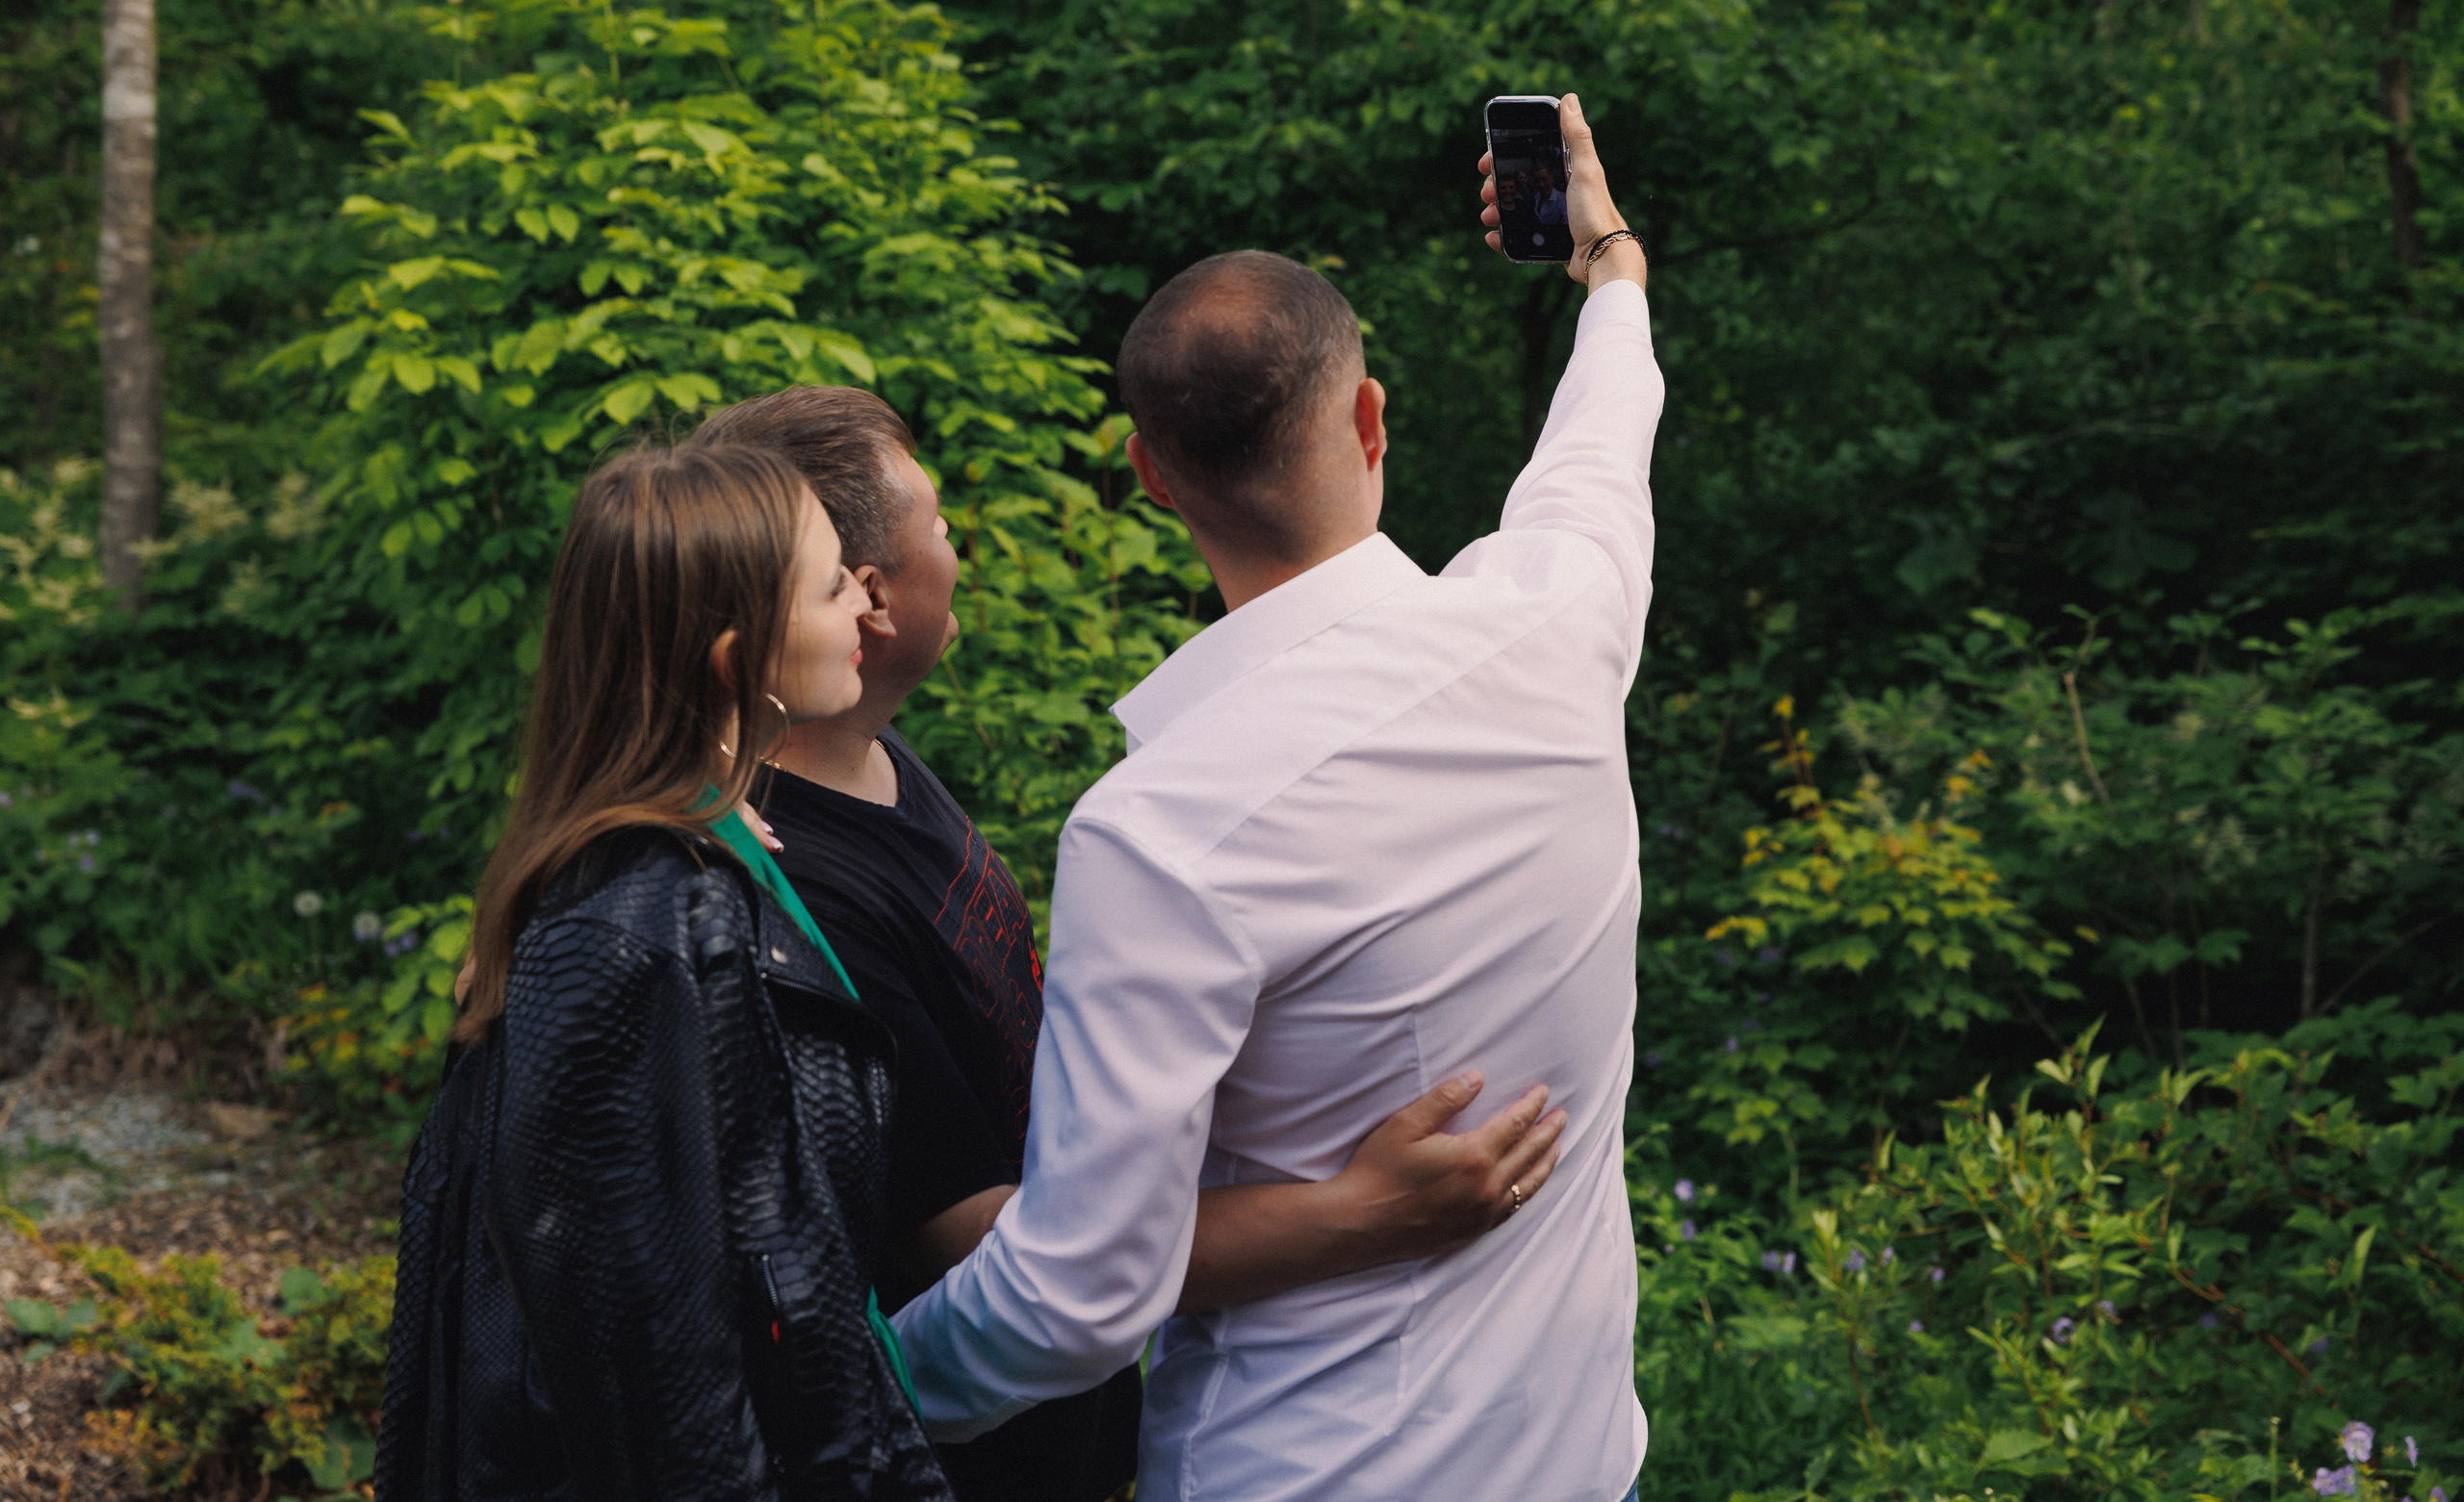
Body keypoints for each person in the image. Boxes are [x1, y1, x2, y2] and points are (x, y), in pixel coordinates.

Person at [890, 91, 1658, 1502]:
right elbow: (1599, 452)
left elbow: (1071, 1295)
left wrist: (851, 1384)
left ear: (1148, 476)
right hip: (1574, 1464)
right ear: (1370, 417)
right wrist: (1607, 261)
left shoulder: (1162, 830)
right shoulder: (1562, 624)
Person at [688, 388, 1576, 1502]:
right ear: (867, 599)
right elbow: (990, 1249)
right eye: (943, 529)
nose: (959, 550)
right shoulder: (805, 898)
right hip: (972, 1457)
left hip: (1072, 1425)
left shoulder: (871, 759)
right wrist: (1350, 1217)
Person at [377, 443, 954, 1501]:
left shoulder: (697, 853)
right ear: (736, 663)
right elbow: (664, 1378)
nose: (868, 609)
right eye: (834, 586)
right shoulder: (637, 921)